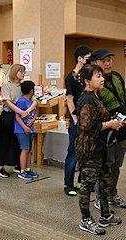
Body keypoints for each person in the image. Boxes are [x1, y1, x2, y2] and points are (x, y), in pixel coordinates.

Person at [76, 64, 122, 235]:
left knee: (105, 182)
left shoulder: (96, 96)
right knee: (87, 186)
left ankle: (105, 215)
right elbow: (86, 126)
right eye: (98, 76)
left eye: (102, 76)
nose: (102, 79)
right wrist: (109, 124)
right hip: (89, 149)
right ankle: (85, 220)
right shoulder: (86, 99)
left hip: (100, 148)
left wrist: (112, 120)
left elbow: (98, 119)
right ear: (87, 81)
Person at [90, 48, 126, 209]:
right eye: (103, 61)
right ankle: (100, 198)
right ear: (94, 63)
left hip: (122, 128)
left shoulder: (117, 76)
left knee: (117, 165)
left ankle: (112, 194)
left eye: (109, 60)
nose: (107, 63)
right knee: (105, 166)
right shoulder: (92, 83)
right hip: (106, 130)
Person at [0, 64, 37, 178]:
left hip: (22, 117)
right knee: (5, 141)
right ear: (14, 72)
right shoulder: (6, 85)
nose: (22, 73)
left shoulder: (24, 86)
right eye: (20, 71)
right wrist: (20, 112)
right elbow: (7, 101)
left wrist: (27, 111)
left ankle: (19, 166)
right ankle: (1, 167)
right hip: (8, 116)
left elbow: (34, 100)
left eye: (23, 71)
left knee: (19, 142)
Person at [64, 46, 93, 196]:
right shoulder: (71, 77)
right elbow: (69, 99)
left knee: (86, 153)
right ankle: (68, 184)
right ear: (80, 58)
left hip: (88, 120)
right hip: (77, 121)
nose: (90, 62)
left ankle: (82, 182)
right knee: (73, 153)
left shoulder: (87, 76)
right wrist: (74, 117)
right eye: (88, 59)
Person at [14, 81, 38, 180]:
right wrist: (25, 127)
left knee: (28, 150)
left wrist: (32, 121)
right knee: (24, 149)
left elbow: (35, 114)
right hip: (22, 130)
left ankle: (28, 169)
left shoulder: (31, 102)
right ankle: (22, 171)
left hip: (30, 129)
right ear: (32, 91)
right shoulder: (21, 101)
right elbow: (17, 116)